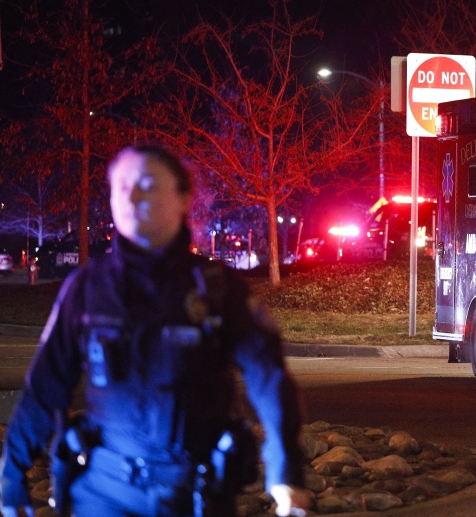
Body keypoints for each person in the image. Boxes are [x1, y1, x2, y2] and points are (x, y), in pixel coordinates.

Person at [0, 146, 310, 517]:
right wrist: (11, 478)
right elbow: (45, 388)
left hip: (194, 496)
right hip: (103, 494)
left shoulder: (218, 289)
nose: (131, 196)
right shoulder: (86, 289)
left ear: (182, 198)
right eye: (121, 186)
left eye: (147, 185)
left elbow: (269, 379)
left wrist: (285, 472)